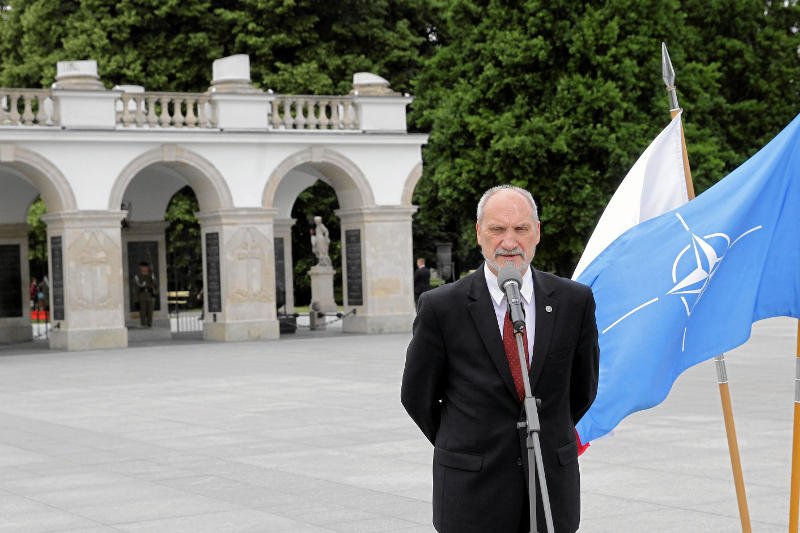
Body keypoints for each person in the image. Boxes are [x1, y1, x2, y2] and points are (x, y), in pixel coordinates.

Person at [401, 185, 599, 533]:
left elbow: (583, 388)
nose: (510, 241)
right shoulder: (441, 307)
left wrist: (548, 432)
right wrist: (466, 441)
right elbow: (417, 396)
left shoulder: (574, 301)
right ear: (479, 233)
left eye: (521, 228)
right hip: (472, 491)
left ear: (537, 232)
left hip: (550, 486)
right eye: (497, 229)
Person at [133, 262, 158, 327]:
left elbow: (155, 285)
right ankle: (143, 323)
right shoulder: (137, 276)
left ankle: (150, 322)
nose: (145, 268)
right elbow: (135, 288)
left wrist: (152, 276)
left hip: (150, 295)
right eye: (143, 267)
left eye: (146, 267)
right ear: (140, 268)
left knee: (150, 310)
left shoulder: (151, 275)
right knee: (142, 311)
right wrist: (136, 300)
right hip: (141, 296)